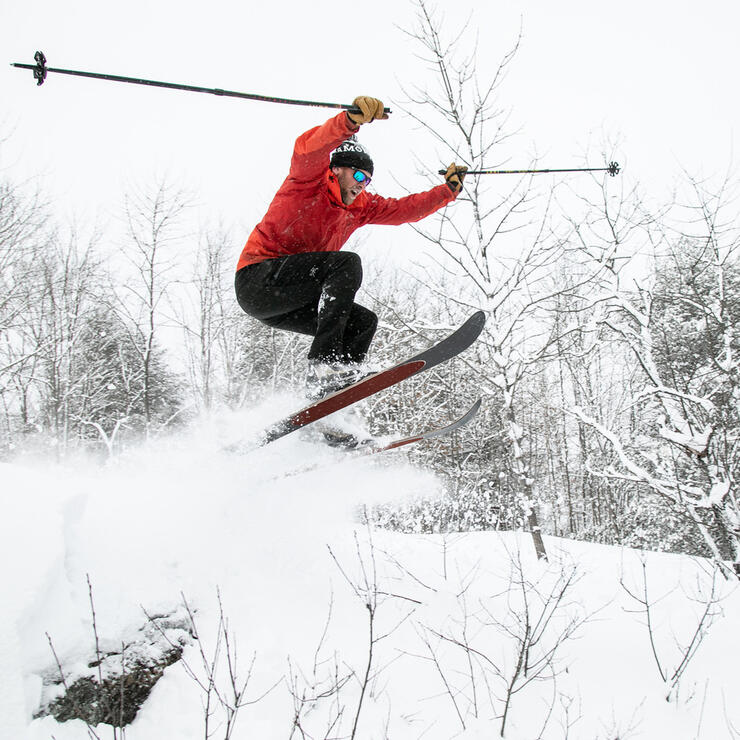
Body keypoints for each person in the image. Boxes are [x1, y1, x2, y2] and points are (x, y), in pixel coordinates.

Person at [235, 95, 467, 400]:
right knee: (345, 264)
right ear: (337, 170)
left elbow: (403, 210)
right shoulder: (308, 182)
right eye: (358, 175)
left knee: (361, 323)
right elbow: (310, 148)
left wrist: (447, 191)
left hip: (290, 299)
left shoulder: (360, 206)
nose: (361, 184)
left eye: (367, 180)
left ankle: (334, 408)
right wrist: (349, 122)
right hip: (259, 281)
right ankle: (324, 366)